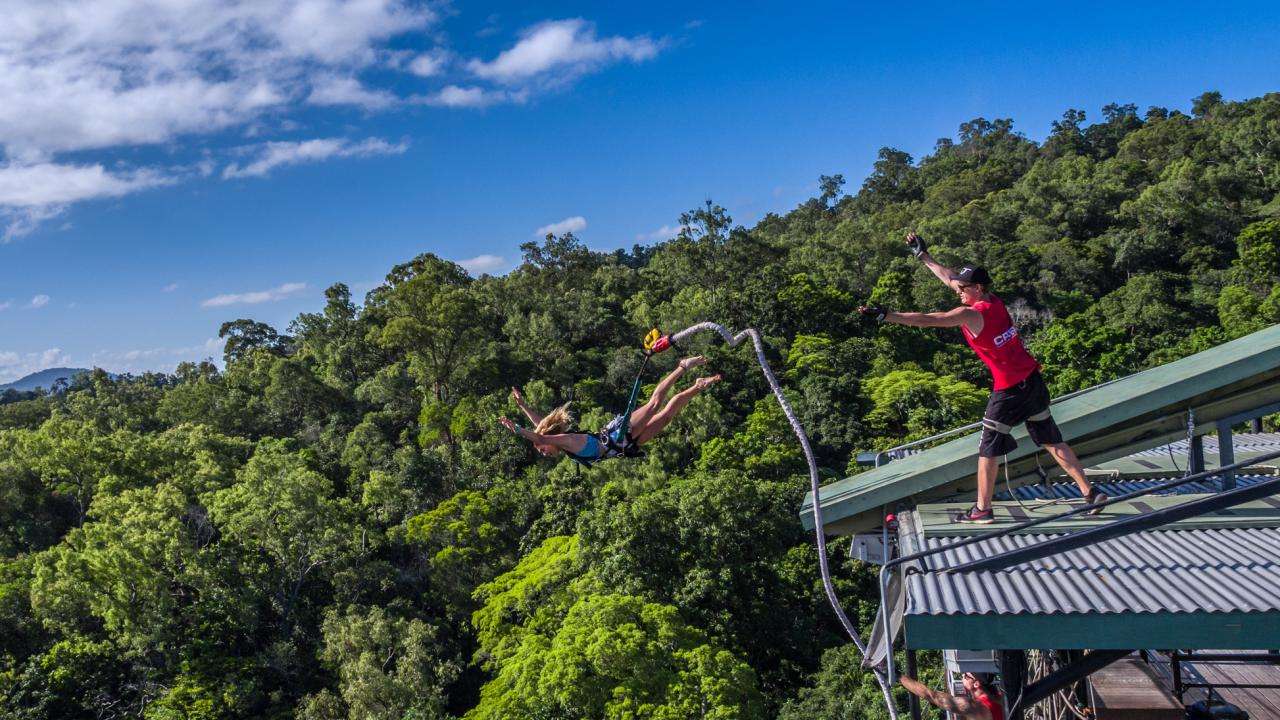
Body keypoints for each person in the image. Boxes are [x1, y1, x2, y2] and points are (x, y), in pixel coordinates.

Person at [857, 231, 1107, 523]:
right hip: (1033, 381)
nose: (958, 291)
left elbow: (930, 319)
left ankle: (983, 509)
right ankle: (1090, 493)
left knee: (987, 449)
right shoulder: (993, 300)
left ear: (976, 288)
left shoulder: (971, 314)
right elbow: (949, 278)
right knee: (1052, 440)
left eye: (963, 288)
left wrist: (888, 315)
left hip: (1010, 390)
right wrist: (923, 256)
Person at [500, 355, 721, 467]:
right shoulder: (563, 446)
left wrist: (518, 429)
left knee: (654, 405)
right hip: (626, 445)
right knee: (666, 416)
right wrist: (523, 406)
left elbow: (539, 434)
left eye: (542, 449)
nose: (543, 453)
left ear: (549, 440)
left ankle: (682, 366)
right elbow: (541, 425)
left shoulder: (565, 440)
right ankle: (697, 385)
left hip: (619, 433)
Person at [900, 672, 1005, 720]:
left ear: (976, 684)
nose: (962, 676)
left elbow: (932, 696)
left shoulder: (975, 707)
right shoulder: (1002, 697)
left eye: (965, 675)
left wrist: (899, 677)